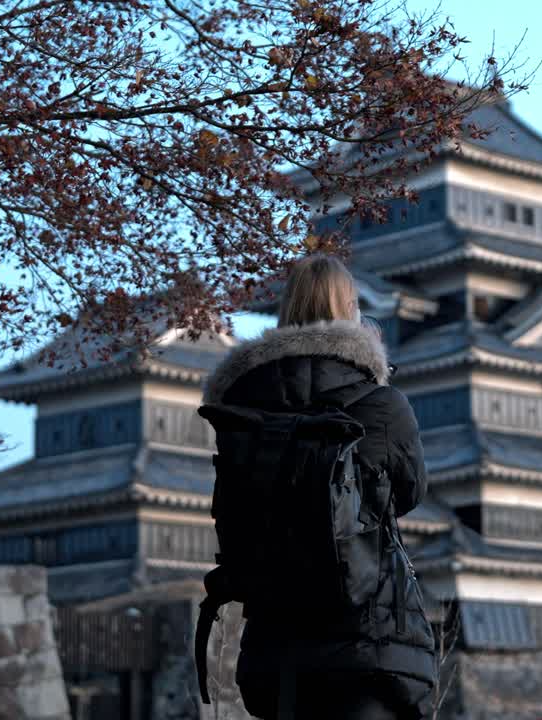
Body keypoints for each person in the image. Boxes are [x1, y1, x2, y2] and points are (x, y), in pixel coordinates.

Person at [200, 254, 437, 719]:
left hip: (275, 644)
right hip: (367, 640)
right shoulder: (382, 404)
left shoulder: (242, 408)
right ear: (351, 311)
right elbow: (411, 492)